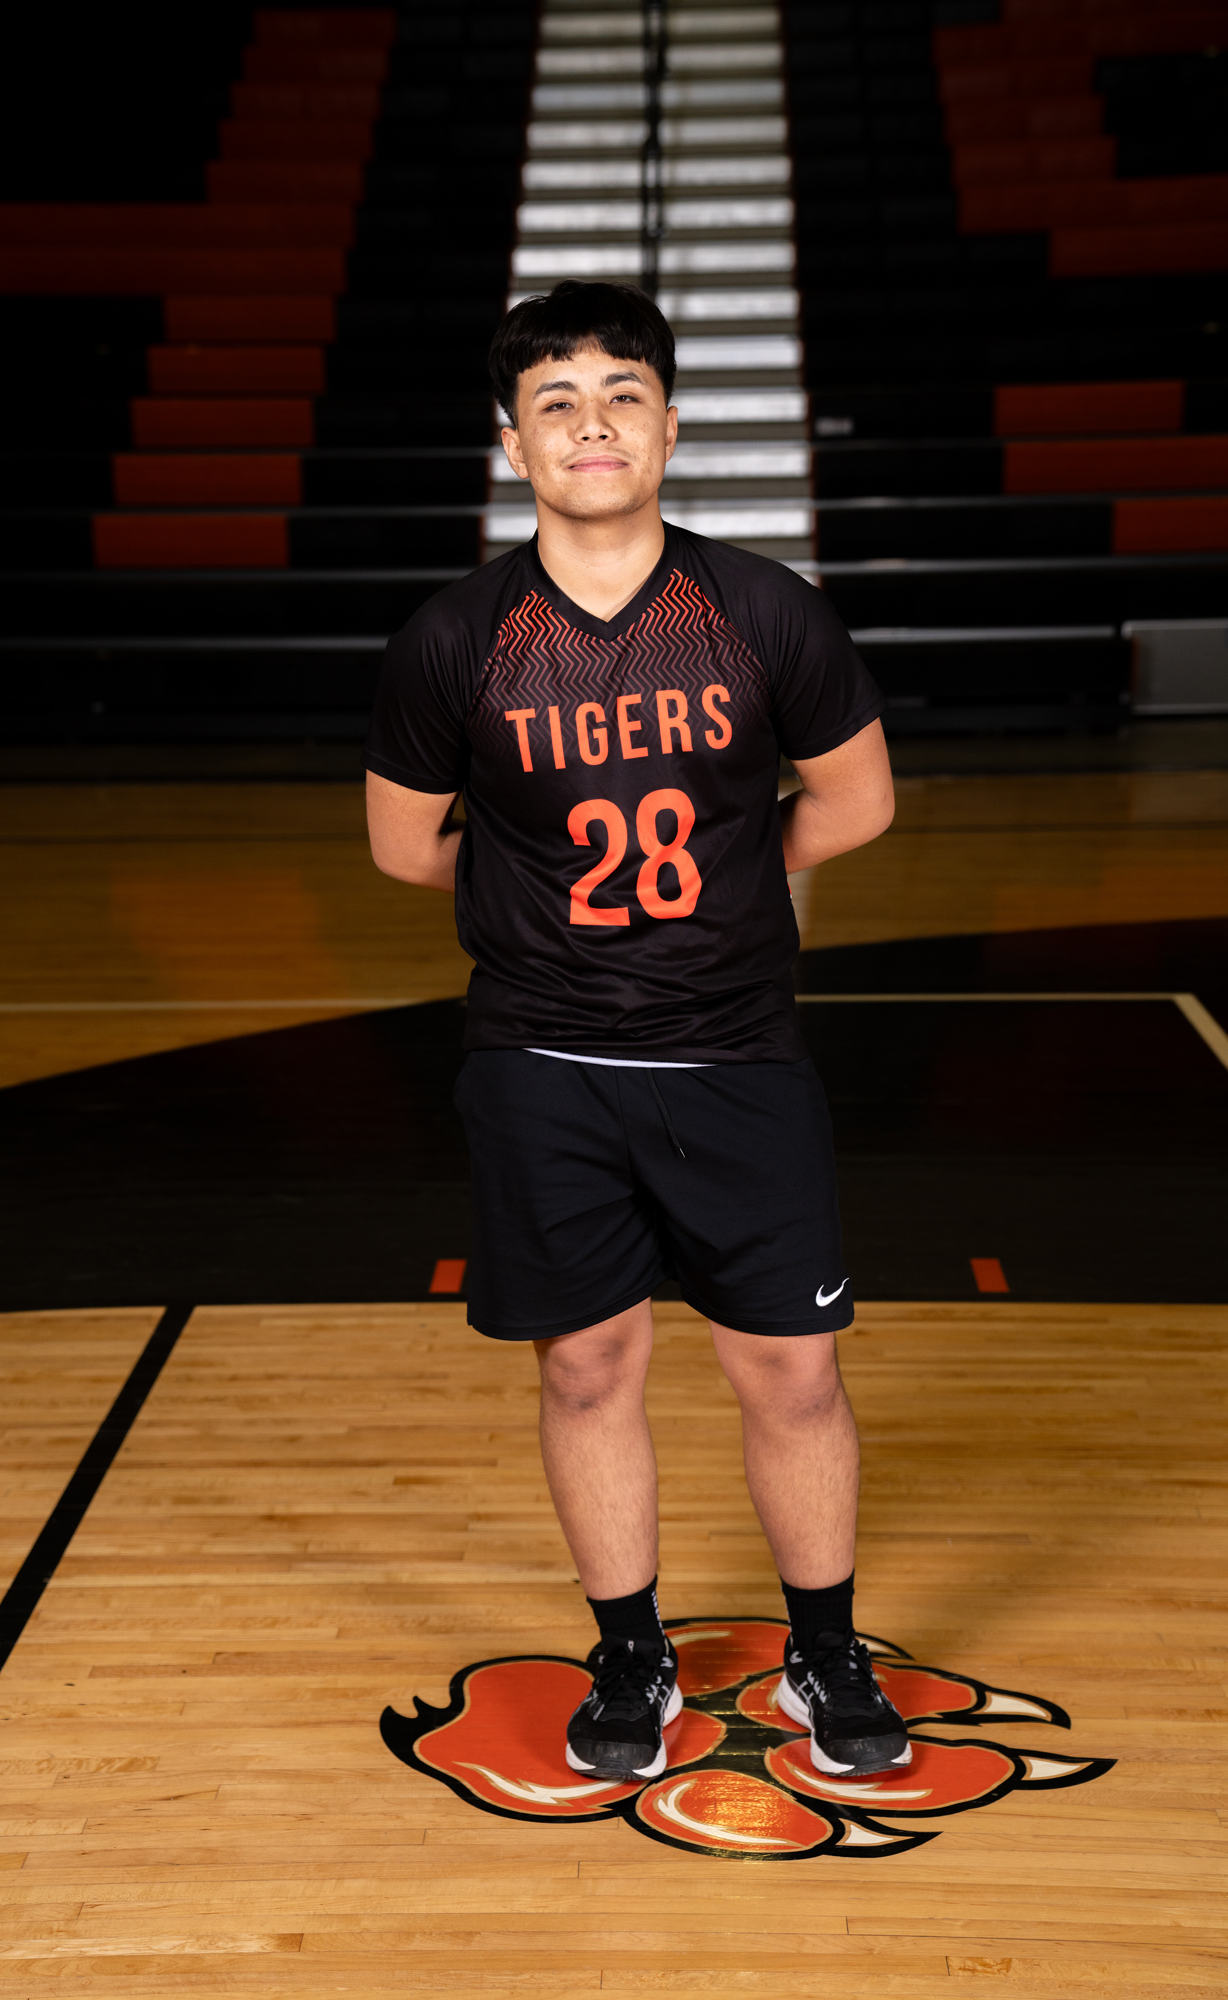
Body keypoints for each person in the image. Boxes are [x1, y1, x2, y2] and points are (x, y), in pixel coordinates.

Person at [365, 281, 909, 1784]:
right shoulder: (456, 638)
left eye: (621, 395)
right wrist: (543, 899)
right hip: (541, 1060)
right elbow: (405, 847)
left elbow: (857, 802)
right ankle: (629, 1652)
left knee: (790, 1371)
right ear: (514, 444)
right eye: (556, 401)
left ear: (669, 426)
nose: (590, 423)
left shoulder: (763, 611)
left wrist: (733, 877)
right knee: (586, 1367)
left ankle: (823, 1651)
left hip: (735, 1053)